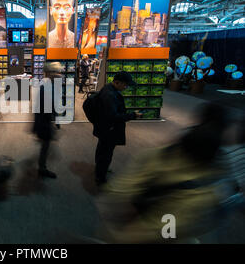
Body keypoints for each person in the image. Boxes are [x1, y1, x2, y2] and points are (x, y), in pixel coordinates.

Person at [98, 103, 238, 243]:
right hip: (176, 228)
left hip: (153, 226)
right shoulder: (222, 170)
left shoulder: (162, 156)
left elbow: (119, 192)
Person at [93, 71, 141, 185]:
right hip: (109, 130)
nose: (126, 87)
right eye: (125, 84)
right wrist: (133, 115)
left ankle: (100, 169)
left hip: (104, 128)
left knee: (102, 150)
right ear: (117, 82)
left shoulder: (108, 89)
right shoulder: (110, 95)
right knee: (106, 153)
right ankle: (100, 177)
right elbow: (113, 117)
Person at [33, 62, 62, 179]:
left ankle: (42, 167)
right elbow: (41, 110)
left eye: (58, 72)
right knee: (45, 146)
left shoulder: (50, 85)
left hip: (46, 122)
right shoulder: (45, 87)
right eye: (54, 72)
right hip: (44, 123)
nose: (57, 74)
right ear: (48, 73)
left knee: (45, 146)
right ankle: (42, 169)